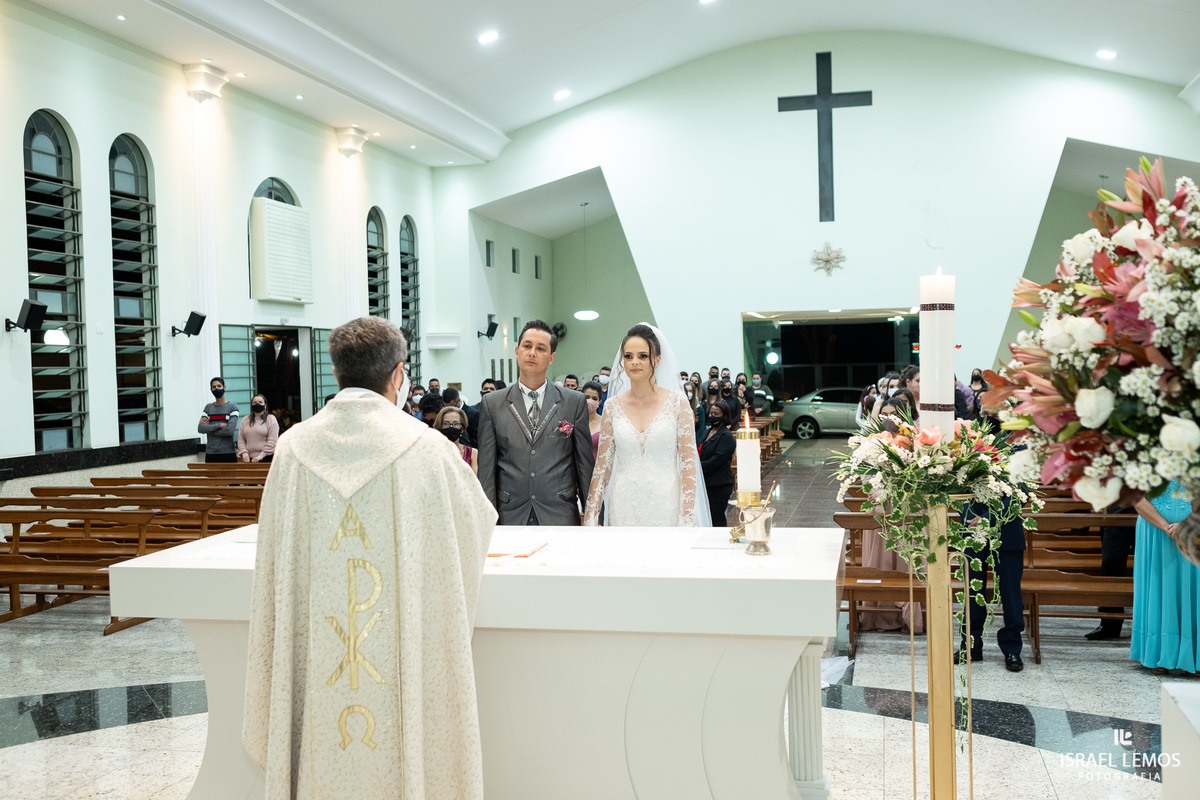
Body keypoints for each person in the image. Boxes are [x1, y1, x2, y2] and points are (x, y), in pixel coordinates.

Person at [243, 316, 495, 799]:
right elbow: (472, 527)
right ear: (398, 374)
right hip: (400, 656)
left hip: (318, 655)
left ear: (336, 372)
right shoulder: (427, 448)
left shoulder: (294, 447)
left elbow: (275, 551)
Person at [583, 323, 707, 526]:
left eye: (642, 356)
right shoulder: (612, 407)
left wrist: (687, 518)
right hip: (623, 506)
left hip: (667, 504)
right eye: (628, 356)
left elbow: (688, 466)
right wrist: (590, 517)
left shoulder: (677, 402)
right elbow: (602, 468)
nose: (634, 362)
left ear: (657, 359)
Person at [478, 320, 595, 525]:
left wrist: (593, 517)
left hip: (559, 513)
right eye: (527, 346)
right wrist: (488, 521)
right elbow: (487, 469)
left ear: (551, 358)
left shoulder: (573, 402)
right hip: (510, 514)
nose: (532, 353)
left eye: (541, 348)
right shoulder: (492, 403)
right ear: (517, 351)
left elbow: (584, 465)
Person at [1129, 481, 1200, 674]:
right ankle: (1157, 652)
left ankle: (1196, 654)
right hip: (1154, 531)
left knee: (1194, 587)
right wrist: (1165, 526)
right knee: (1158, 587)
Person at [957, 496, 1026, 671]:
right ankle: (971, 645)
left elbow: (1020, 494)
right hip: (972, 528)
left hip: (1007, 529)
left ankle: (1012, 648)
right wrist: (972, 517)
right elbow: (957, 490)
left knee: (1010, 592)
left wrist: (988, 518)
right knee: (972, 591)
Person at [698, 402, 735, 527]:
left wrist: (698, 467)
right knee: (705, 517)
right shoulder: (707, 432)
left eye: (716, 414)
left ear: (725, 417)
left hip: (719, 484)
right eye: (711, 413)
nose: (712, 416)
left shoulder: (726, 436)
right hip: (705, 482)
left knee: (716, 518)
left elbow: (717, 460)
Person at [198, 376, 240, 463]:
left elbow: (229, 431)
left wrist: (209, 428)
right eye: (214, 387)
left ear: (224, 387)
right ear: (211, 390)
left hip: (228, 453)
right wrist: (219, 425)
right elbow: (200, 428)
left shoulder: (233, 407)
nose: (217, 388)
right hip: (210, 454)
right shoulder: (208, 408)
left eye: (219, 386)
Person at [433, 406, 478, 475]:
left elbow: (475, 479)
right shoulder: (433, 451)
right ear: (440, 426)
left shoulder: (472, 453)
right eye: (446, 424)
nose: (451, 427)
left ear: (462, 428)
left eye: (456, 424)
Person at [237, 394, 279, 463]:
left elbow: (273, 441)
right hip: (248, 459)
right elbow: (241, 440)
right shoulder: (245, 419)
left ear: (265, 405)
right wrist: (244, 454)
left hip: (266, 458)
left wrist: (260, 456)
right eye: (255, 402)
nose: (257, 404)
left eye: (260, 402)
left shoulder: (271, 419)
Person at [581, 380, 604, 459]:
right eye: (587, 397)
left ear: (599, 402)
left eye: (594, 398)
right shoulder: (574, 421)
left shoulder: (605, 422)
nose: (590, 401)